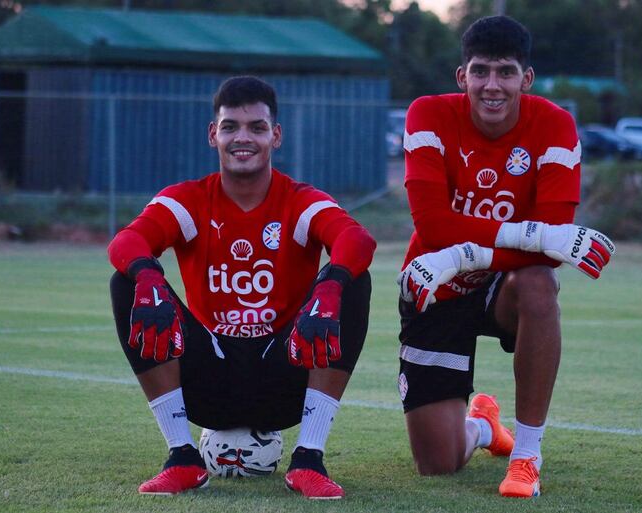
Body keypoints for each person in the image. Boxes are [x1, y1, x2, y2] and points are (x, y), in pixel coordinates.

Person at [108, 76, 376, 499]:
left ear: (276, 135)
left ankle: (309, 459)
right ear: (213, 134)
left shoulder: (298, 199)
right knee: (126, 281)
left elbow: (357, 241)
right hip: (209, 378)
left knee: (353, 280)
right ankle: (181, 456)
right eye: (230, 126)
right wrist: (146, 275)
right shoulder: (191, 199)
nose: (243, 138)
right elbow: (126, 241)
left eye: (256, 127)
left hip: (284, 375)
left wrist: (331, 285)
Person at [395, 16, 615, 498]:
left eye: (505, 72)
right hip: (438, 285)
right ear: (462, 77)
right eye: (480, 71)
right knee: (437, 463)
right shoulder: (427, 114)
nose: (492, 85)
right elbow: (433, 227)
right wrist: (530, 235)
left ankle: (526, 456)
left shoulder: (555, 124)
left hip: (501, 283)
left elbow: (551, 251)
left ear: (526, 79)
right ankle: (483, 429)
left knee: (540, 283)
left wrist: (466, 252)